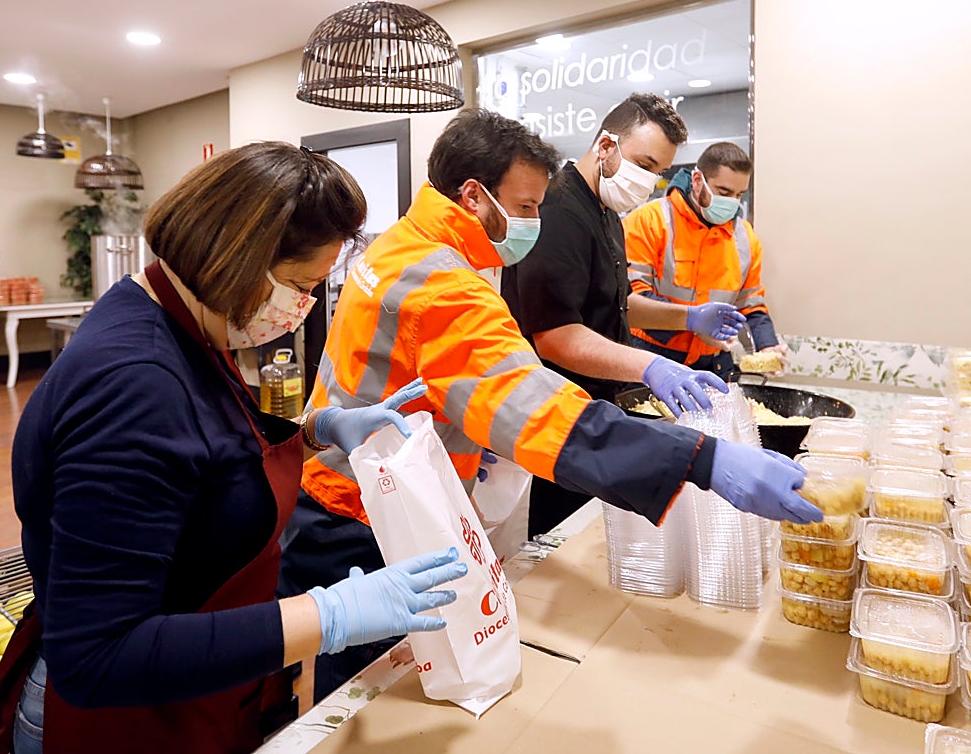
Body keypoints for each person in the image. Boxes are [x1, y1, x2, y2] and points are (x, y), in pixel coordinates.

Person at [278, 107, 822, 702]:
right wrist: (705, 460)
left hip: (334, 487)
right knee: (361, 696)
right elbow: (538, 410)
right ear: (474, 195)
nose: (535, 221)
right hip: (365, 514)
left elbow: (422, 373)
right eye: (529, 205)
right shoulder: (442, 283)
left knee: (356, 676)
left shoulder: (400, 245)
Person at [0, 143, 467, 754]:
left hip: (193, 696)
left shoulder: (171, 312)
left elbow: (203, 455)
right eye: (298, 285)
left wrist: (315, 434)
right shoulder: (134, 384)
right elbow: (98, 655)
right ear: (237, 259)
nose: (303, 307)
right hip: (125, 721)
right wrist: (331, 615)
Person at [502, 93, 747, 539]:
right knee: (552, 545)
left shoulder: (607, 212)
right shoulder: (557, 211)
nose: (650, 181)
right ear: (606, 146)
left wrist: (687, 317)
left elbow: (614, 300)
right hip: (553, 417)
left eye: (658, 172)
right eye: (645, 163)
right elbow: (556, 336)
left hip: (593, 409)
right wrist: (651, 365)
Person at [623, 141, 786, 378]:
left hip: (715, 364)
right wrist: (695, 326)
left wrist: (767, 346)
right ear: (698, 180)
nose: (732, 202)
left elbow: (750, 304)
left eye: (740, 194)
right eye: (724, 192)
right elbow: (631, 298)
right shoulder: (649, 221)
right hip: (653, 357)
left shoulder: (746, 238)